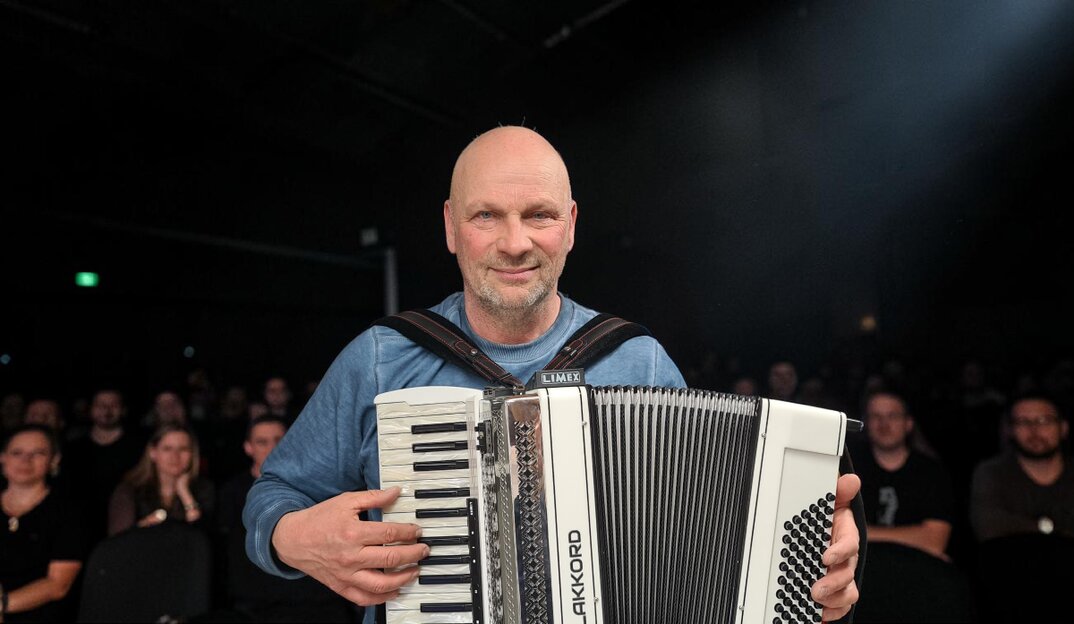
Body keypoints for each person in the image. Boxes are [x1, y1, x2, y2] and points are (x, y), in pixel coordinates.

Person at [243, 126, 861, 622]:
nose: (515, 243)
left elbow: (711, 549)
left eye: (538, 215)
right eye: (487, 216)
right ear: (451, 227)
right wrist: (290, 537)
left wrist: (809, 582)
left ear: (569, 223)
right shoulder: (380, 358)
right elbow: (274, 496)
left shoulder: (638, 360)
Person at [218, 416, 355, 622]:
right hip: (257, 605)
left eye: (279, 440)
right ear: (248, 447)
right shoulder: (232, 491)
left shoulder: (320, 486)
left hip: (318, 601)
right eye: (262, 442)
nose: (272, 448)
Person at [969, 394, 1074, 551]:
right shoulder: (991, 473)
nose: (1034, 429)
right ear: (1010, 430)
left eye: (1044, 420)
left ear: (1063, 428)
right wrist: (1056, 531)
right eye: (1023, 422)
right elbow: (989, 529)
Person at [852, 392, 953, 560]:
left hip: (917, 566)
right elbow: (835, 532)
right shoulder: (851, 468)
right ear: (866, 423)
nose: (884, 424)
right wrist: (913, 535)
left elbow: (935, 542)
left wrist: (863, 533)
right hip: (863, 565)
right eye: (876, 416)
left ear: (908, 423)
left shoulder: (931, 472)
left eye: (892, 416)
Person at [0, 425, 83, 623]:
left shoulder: (69, 512)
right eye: (17, 452)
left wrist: (2, 604)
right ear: (3, 457)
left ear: (54, 460)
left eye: (38, 453)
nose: (25, 460)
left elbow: (57, 585)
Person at [62, 389, 146, 543]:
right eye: (101, 405)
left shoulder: (139, 447)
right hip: (81, 525)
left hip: (126, 524)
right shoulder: (73, 449)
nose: (107, 410)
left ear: (123, 410)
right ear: (90, 410)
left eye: (113, 405)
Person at [106, 423, 215, 537]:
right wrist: (142, 527)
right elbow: (117, 541)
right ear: (153, 453)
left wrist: (185, 493)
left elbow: (203, 538)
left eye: (183, 449)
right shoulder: (130, 490)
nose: (175, 456)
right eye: (167, 449)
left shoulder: (204, 488)